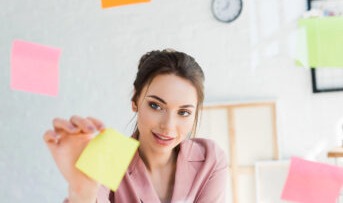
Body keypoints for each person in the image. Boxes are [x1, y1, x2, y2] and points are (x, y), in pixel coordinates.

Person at [43, 49, 228, 203]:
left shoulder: (210, 159)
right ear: (135, 99)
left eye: (183, 112)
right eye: (156, 106)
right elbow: (88, 194)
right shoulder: (109, 155)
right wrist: (82, 191)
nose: (168, 126)